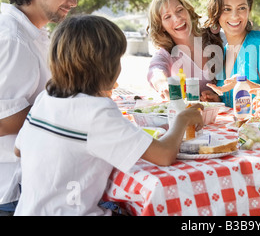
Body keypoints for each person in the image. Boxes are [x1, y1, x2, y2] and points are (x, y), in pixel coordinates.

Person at [13, 15, 204, 216]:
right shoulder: (98, 111)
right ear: (106, 67)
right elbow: (164, 155)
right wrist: (182, 119)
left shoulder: (46, 97)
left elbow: (19, 150)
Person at [0, 0, 85, 216]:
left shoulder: (33, 31)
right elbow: (3, 119)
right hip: (13, 188)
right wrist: (75, 111)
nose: (72, 1)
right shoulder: (13, 38)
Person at [146, 0, 221, 102]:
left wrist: (218, 98)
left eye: (180, 10)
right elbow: (156, 71)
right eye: (167, 17)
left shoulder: (214, 38)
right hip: (189, 117)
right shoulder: (166, 54)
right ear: (161, 26)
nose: (177, 18)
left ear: (188, 11)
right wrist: (163, 85)